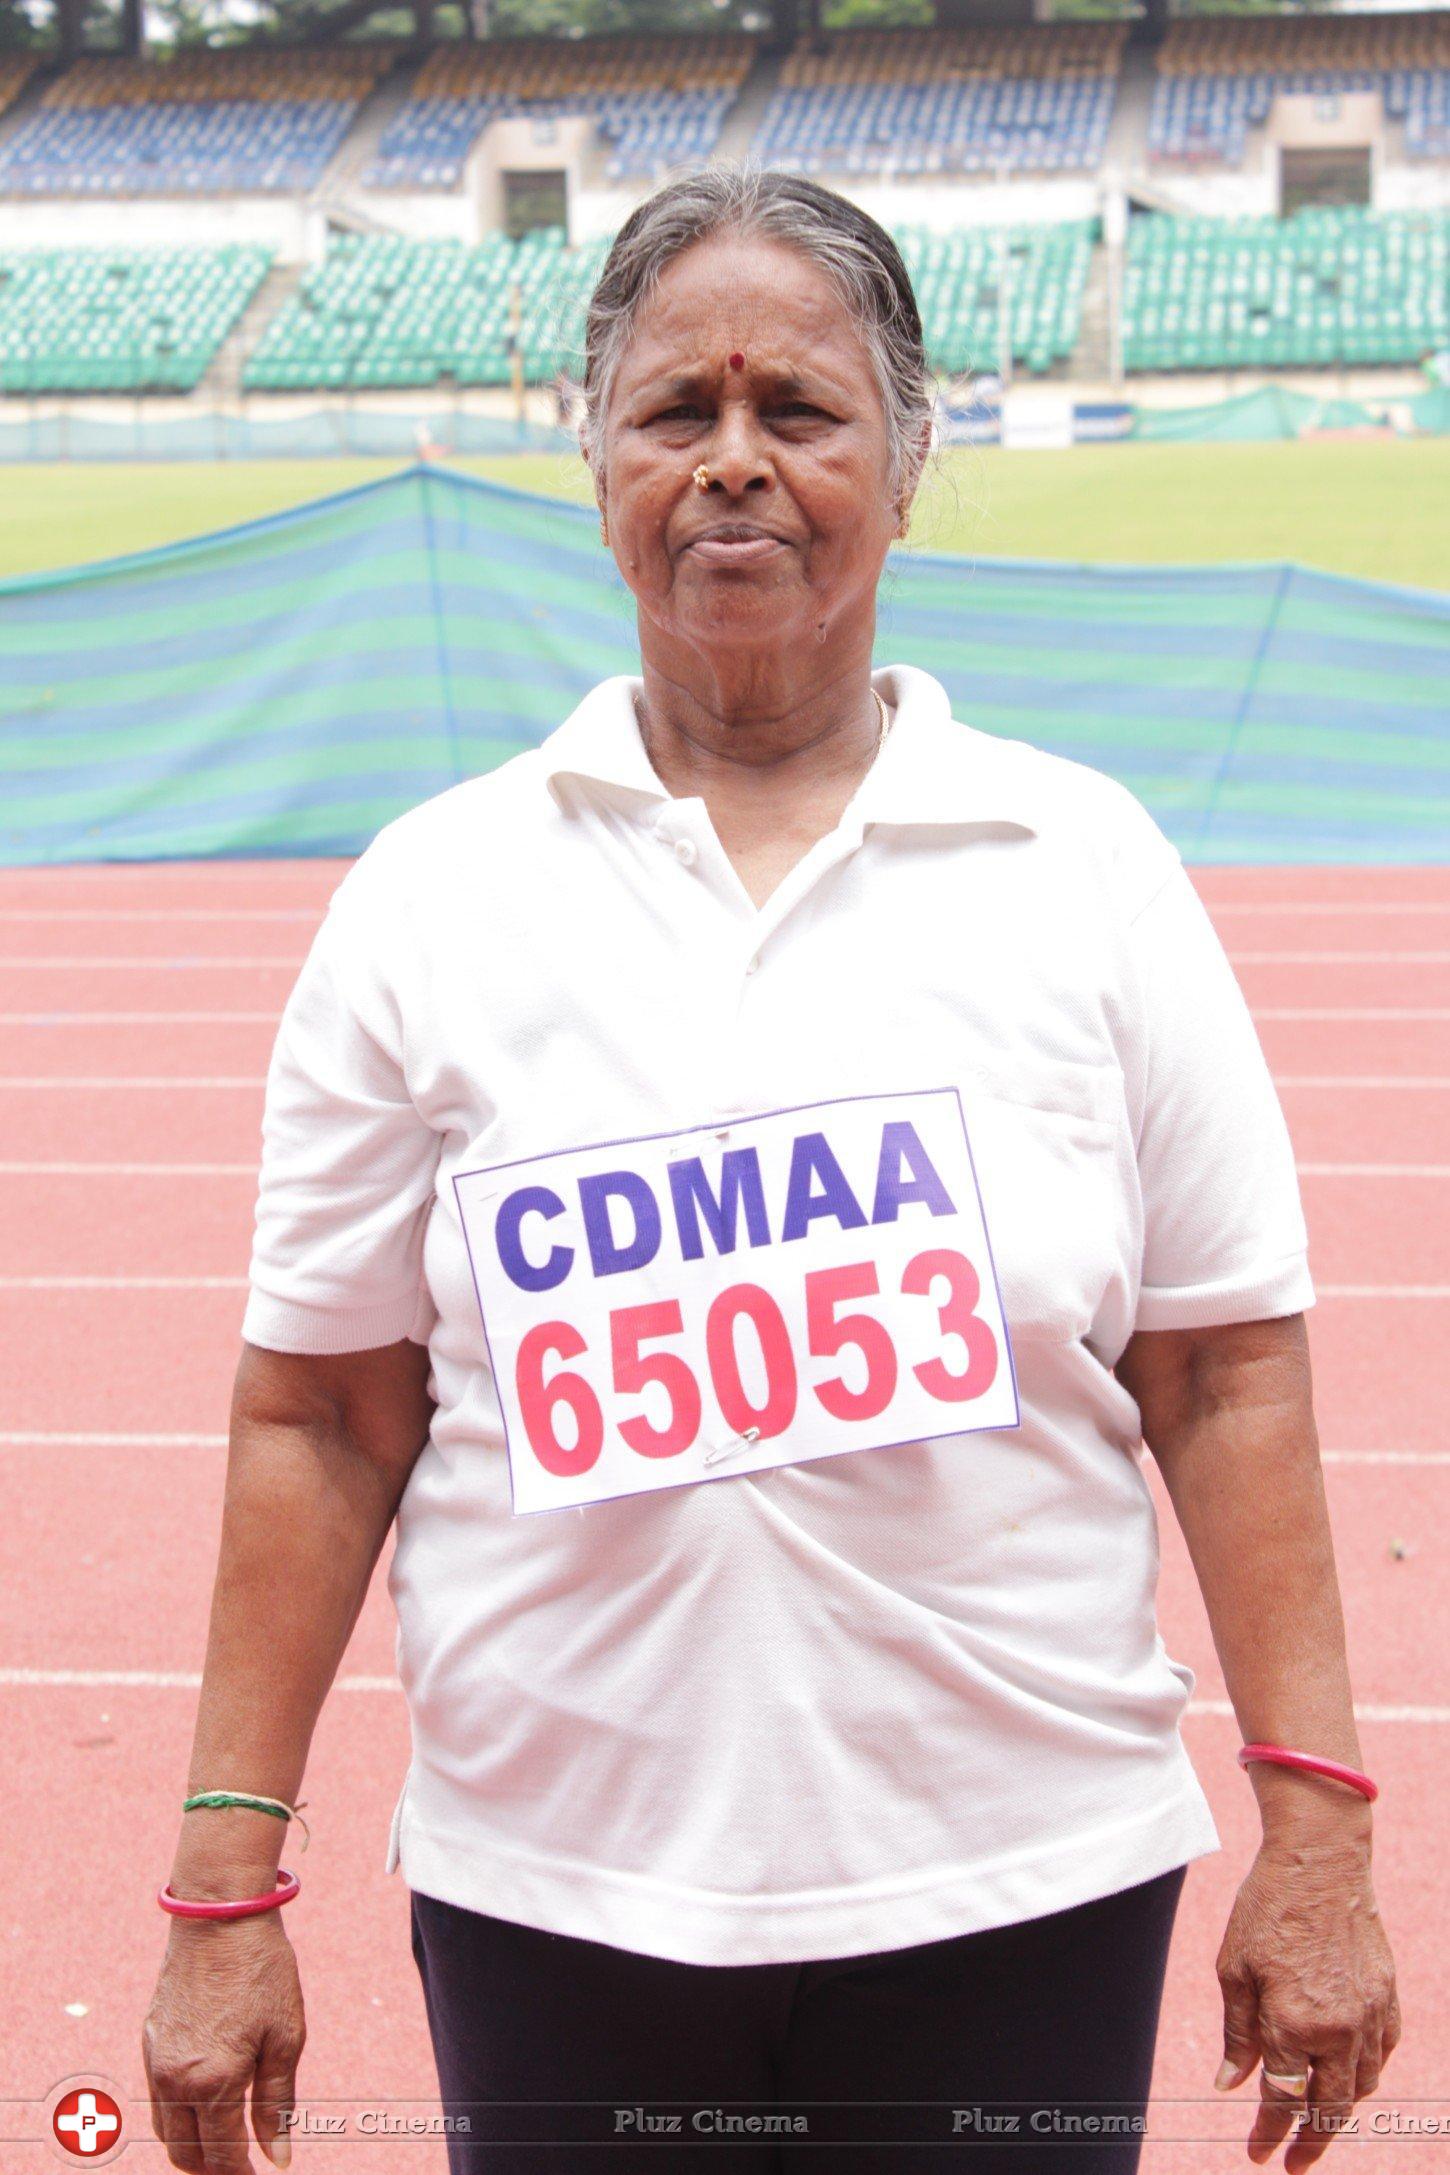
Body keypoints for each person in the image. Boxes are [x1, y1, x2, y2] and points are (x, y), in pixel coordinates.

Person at [142, 167, 1399, 2175]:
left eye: (796, 412)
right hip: (560, 1891)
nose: (732, 464)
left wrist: (1314, 1825)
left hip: (1023, 1881)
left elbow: (1218, 1368)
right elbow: (322, 1405)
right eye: (675, 412)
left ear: (903, 461)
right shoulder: (430, 896)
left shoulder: (1080, 868)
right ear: (595, 459)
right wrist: (225, 1882)